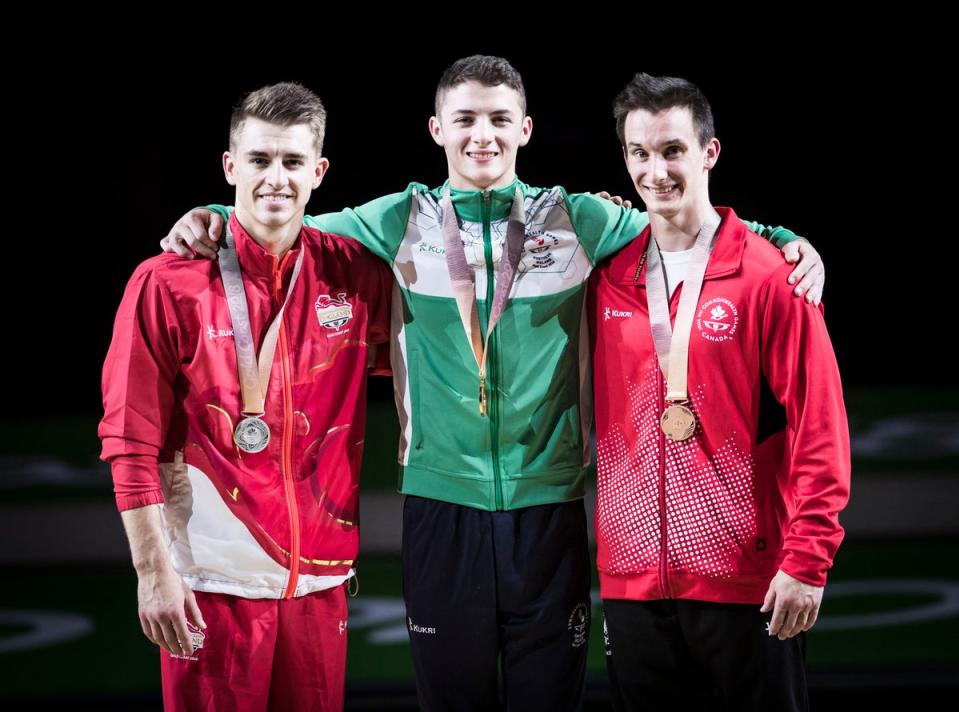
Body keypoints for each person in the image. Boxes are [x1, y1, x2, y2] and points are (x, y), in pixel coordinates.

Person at [161, 57, 824, 711]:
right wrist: (213, 211)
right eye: (466, 119)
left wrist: (783, 237)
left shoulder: (578, 220)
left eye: (499, 119)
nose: (483, 134)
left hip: (548, 510)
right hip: (439, 508)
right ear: (436, 129)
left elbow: (686, 229)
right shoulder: (400, 220)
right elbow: (283, 225)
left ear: (526, 129)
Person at [99, 82, 391, 711]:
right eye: (259, 160)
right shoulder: (167, 282)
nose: (276, 178)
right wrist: (154, 573)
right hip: (210, 583)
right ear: (231, 167)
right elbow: (130, 441)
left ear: (319, 171)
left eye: (292, 162)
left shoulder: (355, 274)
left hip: (318, 583)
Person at [589, 72, 849, 711]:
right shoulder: (605, 274)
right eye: (640, 153)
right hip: (632, 585)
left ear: (709, 152)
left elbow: (820, 427)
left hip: (747, 583)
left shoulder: (770, 278)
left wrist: (807, 562)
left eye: (672, 150)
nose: (656, 171)